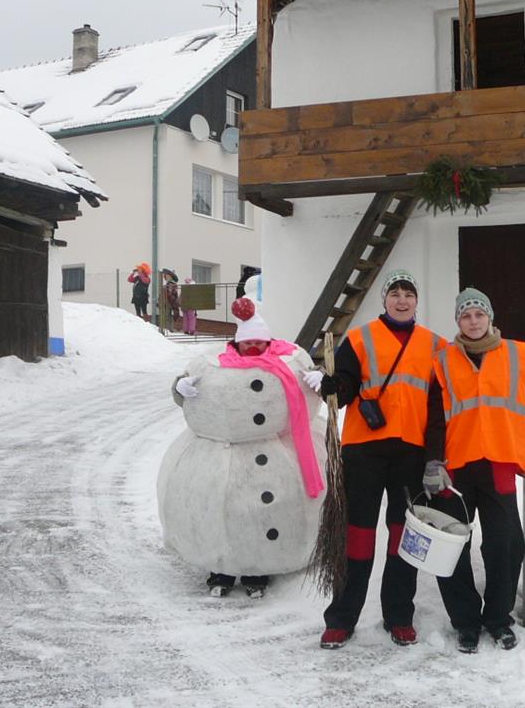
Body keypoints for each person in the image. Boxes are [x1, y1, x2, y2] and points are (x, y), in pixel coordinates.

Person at [424, 287, 525, 654]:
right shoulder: (443, 361)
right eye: (466, 316)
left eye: (479, 314)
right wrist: (432, 461)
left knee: (507, 544)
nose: (473, 321)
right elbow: (435, 418)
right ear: (458, 321)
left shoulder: (516, 354)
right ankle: (466, 622)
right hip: (455, 467)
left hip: (497, 461)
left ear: (490, 318)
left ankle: (498, 619)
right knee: (451, 546)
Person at [304, 269, 447, 649]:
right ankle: (341, 618)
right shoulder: (360, 338)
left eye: (408, 294)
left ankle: (398, 615)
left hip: (411, 452)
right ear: (384, 299)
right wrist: (334, 385)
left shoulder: (436, 345)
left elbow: (439, 408)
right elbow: (347, 386)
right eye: (395, 293)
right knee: (358, 535)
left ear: (417, 301)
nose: (402, 300)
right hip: (364, 450)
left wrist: (436, 457)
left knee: (403, 537)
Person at [171, 296, 324, 599]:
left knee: (262, 517)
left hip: (276, 456)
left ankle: (259, 571)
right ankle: (221, 571)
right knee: (221, 515)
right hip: (224, 458)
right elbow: (183, 387)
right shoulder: (215, 366)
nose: (253, 348)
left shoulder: (286, 362)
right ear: (237, 344)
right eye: (248, 343)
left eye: (259, 343)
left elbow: (317, 379)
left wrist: (322, 377)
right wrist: (179, 387)